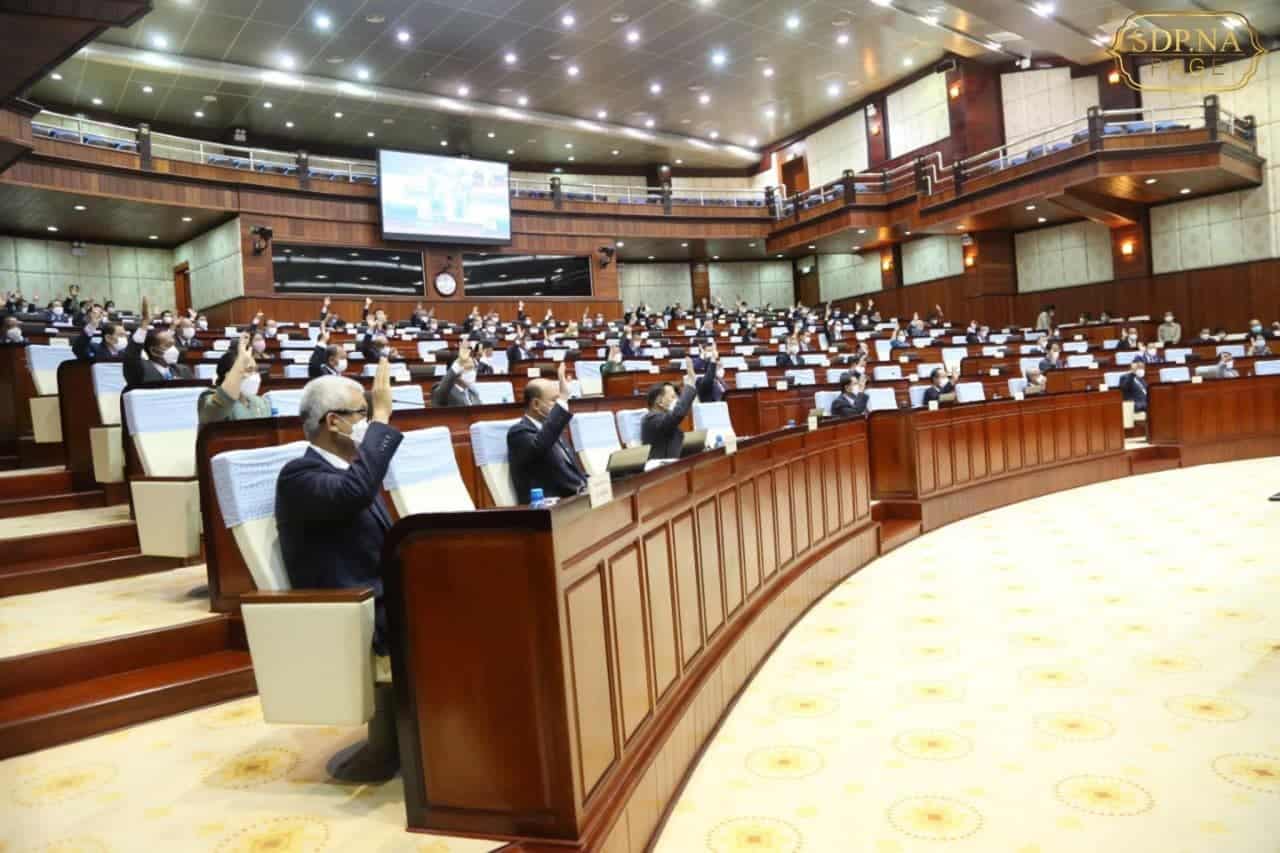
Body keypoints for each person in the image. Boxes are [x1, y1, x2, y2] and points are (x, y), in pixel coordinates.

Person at [276, 359, 401, 657]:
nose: (368, 423)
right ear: (333, 421)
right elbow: (353, 493)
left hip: (391, 601)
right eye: (363, 414)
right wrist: (381, 417)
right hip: (358, 615)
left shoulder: (354, 472)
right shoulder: (298, 476)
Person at [507, 362, 587, 504]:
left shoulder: (553, 432)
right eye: (554, 400)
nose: (558, 405)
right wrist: (563, 398)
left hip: (574, 499)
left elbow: (572, 472)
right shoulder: (518, 433)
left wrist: (595, 483)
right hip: (548, 507)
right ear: (536, 404)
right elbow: (541, 445)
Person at [199, 337, 271, 426]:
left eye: (255, 370)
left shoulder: (260, 402)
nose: (254, 375)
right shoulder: (209, 398)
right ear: (229, 375)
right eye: (249, 370)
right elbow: (216, 410)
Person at [124, 300, 193, 384]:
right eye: (168, 345)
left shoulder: (183, 370)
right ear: (153, 351)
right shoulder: (142, 370)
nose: (174, 349)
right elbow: (131, 358)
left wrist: (173, 326)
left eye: (173, 345)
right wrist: (145, 322)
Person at [641, 360, 698, 460]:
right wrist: (690, 384)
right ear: (660, 401)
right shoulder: (651, 418)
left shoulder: (666, 418)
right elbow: (678, 414)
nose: (676, 400)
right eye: (672, 397)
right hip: (661, 467)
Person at [431, 341, 482, 406]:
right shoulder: (444, 392)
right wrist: (457, 366)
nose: (473, 372)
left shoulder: (472, 391)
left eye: (473, 369)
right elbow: (442, 389)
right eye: (469, 369)